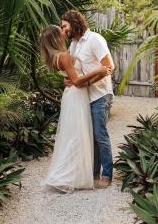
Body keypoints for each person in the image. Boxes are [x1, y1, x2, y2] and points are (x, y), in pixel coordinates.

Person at [40, 25, 111, 193]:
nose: (65, 32)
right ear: (56, 37)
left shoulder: (55, 57)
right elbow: (77, 81)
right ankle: (68, 174)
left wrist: (73, 79)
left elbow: (72, 79)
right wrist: (98, 70)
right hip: (77, 94)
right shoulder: (63, 56)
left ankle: (79, 172)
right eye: (61, 30)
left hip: (72, 94)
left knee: (75, 134)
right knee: (77, 135)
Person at [61, 10, 115, 189]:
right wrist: (70, 79)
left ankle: (107, 174)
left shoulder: (95, 40)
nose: (63, 30)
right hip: (84, 96)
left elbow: (109, 66)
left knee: (100, 134)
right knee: (90, 136)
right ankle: (93, 174)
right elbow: (75, 71)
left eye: (64, 26)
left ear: (74, 23)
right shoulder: (74, 45)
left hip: (100, 94)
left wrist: (87, 82)